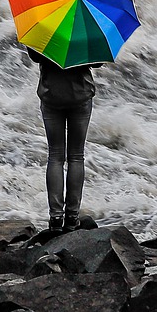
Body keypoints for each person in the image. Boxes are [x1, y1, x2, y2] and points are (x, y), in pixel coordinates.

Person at [27, 47, 98, 232]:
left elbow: (35, 56)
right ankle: (72, 217)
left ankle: (56, 218)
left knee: (55, 156)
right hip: (80, 95)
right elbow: (97, 61)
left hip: (51, 94)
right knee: (76, 156)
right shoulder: (85, 30)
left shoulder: (45, 24)